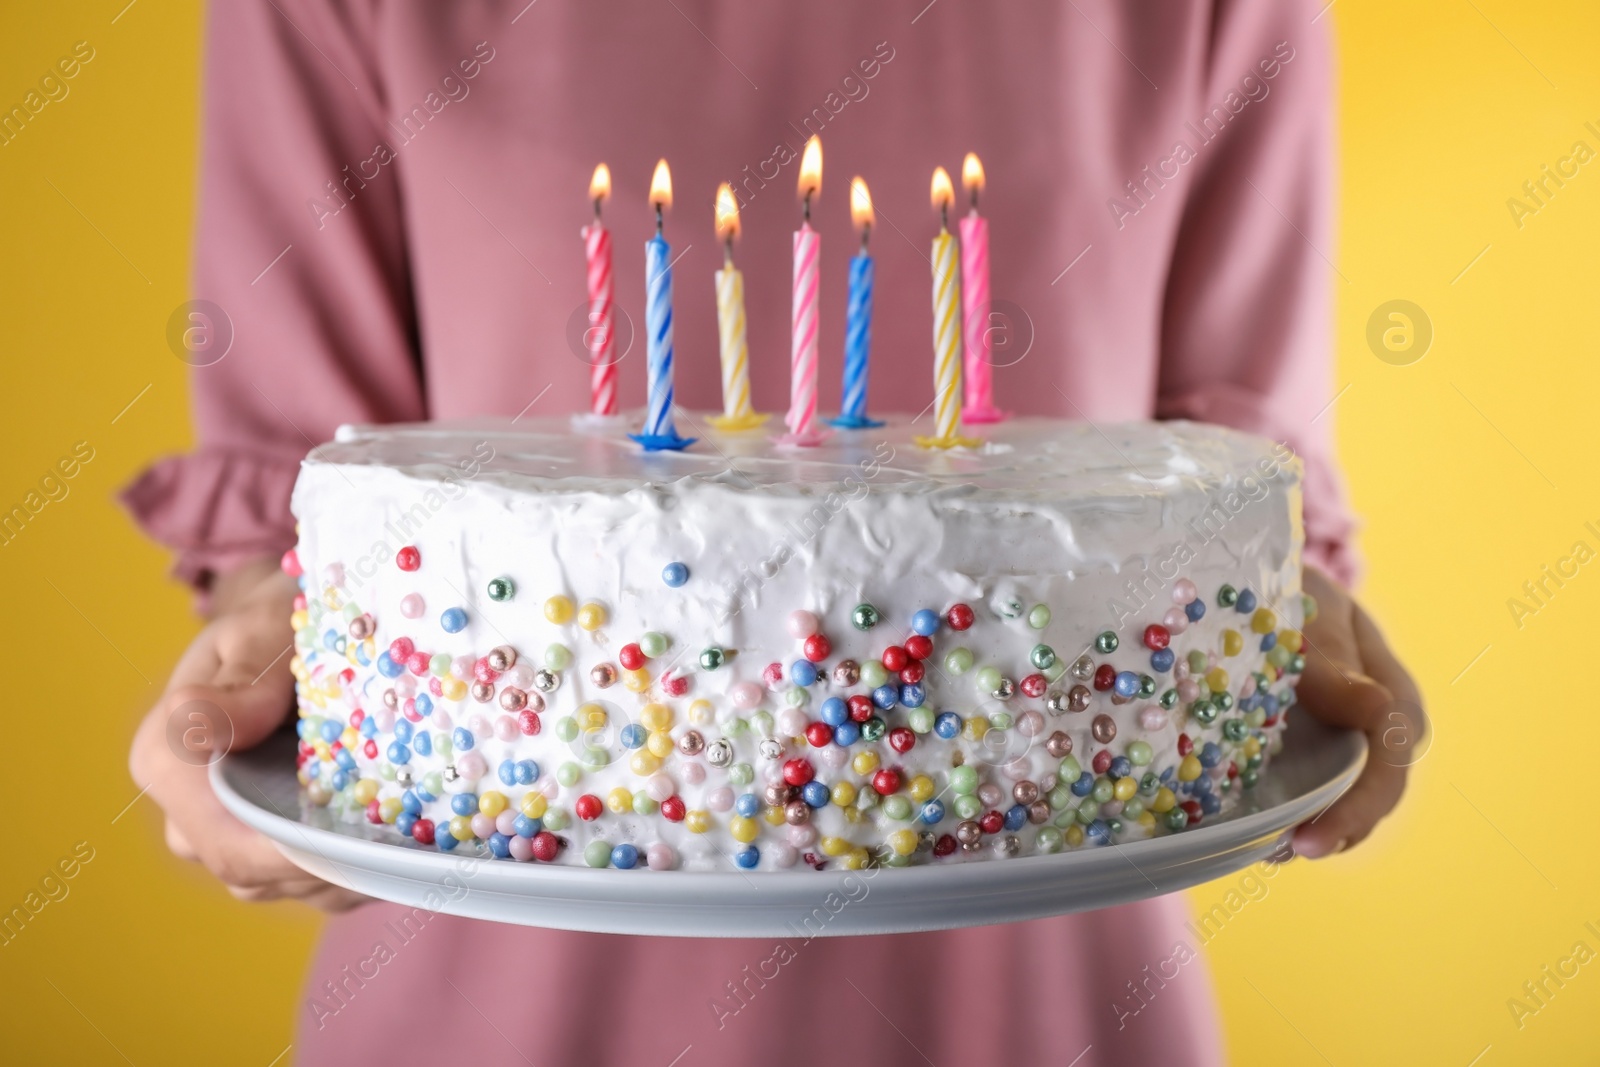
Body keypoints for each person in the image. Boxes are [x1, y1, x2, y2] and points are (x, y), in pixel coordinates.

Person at [125, 2, 1421, 1063]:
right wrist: (257, 644)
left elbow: (1241, 477)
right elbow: (307, 493)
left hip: (1046, 991)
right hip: (486, 974)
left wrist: (1291, 621)